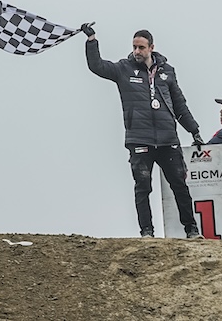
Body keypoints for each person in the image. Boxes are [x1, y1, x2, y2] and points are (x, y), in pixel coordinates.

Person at [82, 24, 205, 239]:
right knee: (143, 187)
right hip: (139, 138)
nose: (137, 51)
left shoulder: (167, 71)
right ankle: (147, 232)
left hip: (167, 139)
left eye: (141, 47)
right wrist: (92, 41)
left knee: (179, 185)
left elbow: (179, 105)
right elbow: (97, 66)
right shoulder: (123, 68)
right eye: (134, 47)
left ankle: (191, 230)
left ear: (151, 48)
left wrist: (194, 130)